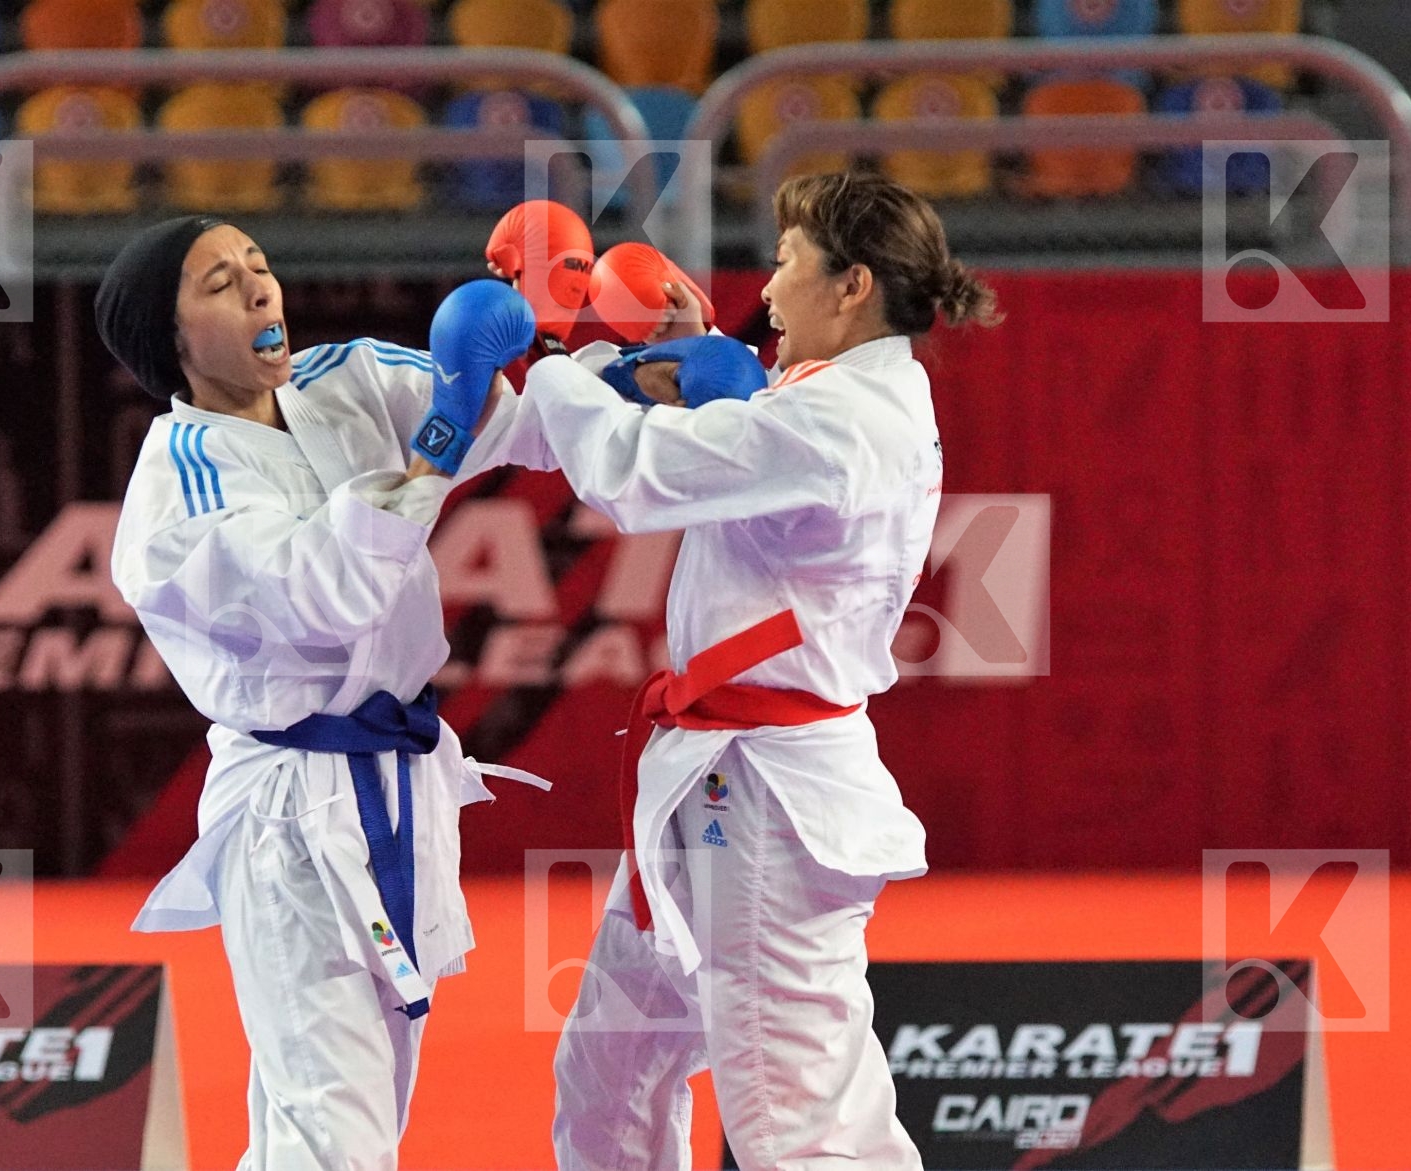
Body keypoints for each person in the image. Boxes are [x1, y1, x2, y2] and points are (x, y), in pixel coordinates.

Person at [506, 172, 1002, 1170]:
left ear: (851, 283)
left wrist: (556, 349)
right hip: (715, 775)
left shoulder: (845, 422)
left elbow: (634, 475)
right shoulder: (833, 392)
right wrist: (687, 351)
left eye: (785, 262)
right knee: (612, 1073)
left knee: (796, 1123)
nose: (766, 288)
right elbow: (744, 420)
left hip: (771, 795)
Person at [97, 215, 541, 1170]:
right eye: (219, 284)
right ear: (171, 344)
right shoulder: (177, 493)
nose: (261, 289)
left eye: (260, 263)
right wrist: (436, 444)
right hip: (292, 817)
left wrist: (648, 368)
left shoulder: (340, 377)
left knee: (354, 1102)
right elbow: (324, 594)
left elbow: (513, 414)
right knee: (335, 1133)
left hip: (404, 787)